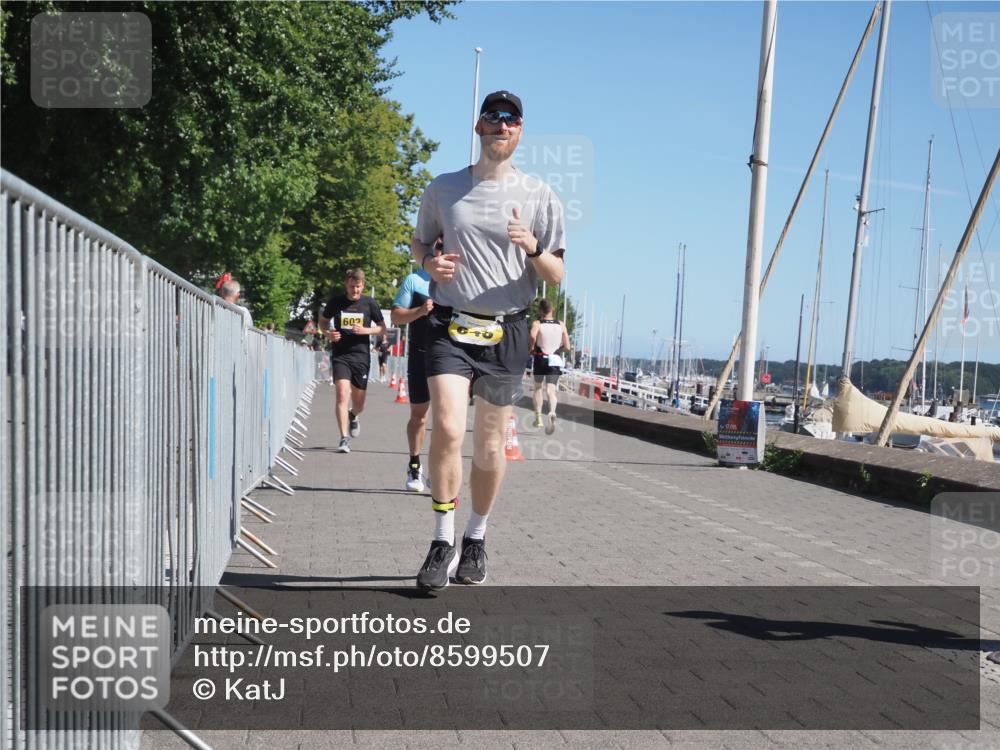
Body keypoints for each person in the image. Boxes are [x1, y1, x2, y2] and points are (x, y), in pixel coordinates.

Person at [411, 90, 566, 590]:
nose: (502, 125)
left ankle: (476, 539)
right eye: (493, 117)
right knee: (451, 430)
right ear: (478, 128)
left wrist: (533, 247)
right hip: (449, 324)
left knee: (491, 444)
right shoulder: (443, 188)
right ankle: (441, 539)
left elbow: (557, 273)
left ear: (520, 132)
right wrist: (428, 264)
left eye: (511, 119)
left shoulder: (541, 195)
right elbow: (419, 244)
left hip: (508, 329)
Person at [319, 269, 386, 453]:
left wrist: (366, 331)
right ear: (345, 285)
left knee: (359, 403)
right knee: (342, 394)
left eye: (357, 287)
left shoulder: (369, 303)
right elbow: (323, 321)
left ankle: (353, 415)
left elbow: (382, 328)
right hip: (341, 355)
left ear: (362, 285)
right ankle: (344, 438)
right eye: (351, 287)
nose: (354, 290)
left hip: (361, 356)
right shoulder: (336, 302)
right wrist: (327, 333)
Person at [391, 247, 436, 492]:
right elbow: (396, 317)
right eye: (439, 247)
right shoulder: (415, 280)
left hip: (449, 360)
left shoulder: (460, 281)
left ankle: (438, 468)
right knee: (420, 415)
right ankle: (414, 465)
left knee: (448, 420)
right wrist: (420, 311)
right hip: (420, 355)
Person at [529, 298, 570, 435]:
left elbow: (532, 335)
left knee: (537, 388)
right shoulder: (561, 324)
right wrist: (559, 350)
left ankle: (538, 417)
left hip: (541, 358)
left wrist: (532, 347)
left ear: (541, 311)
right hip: (555, 359)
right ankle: (552, 411)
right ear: (552, 310)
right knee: (551, 391)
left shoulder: (537, 323)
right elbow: (568, 347)